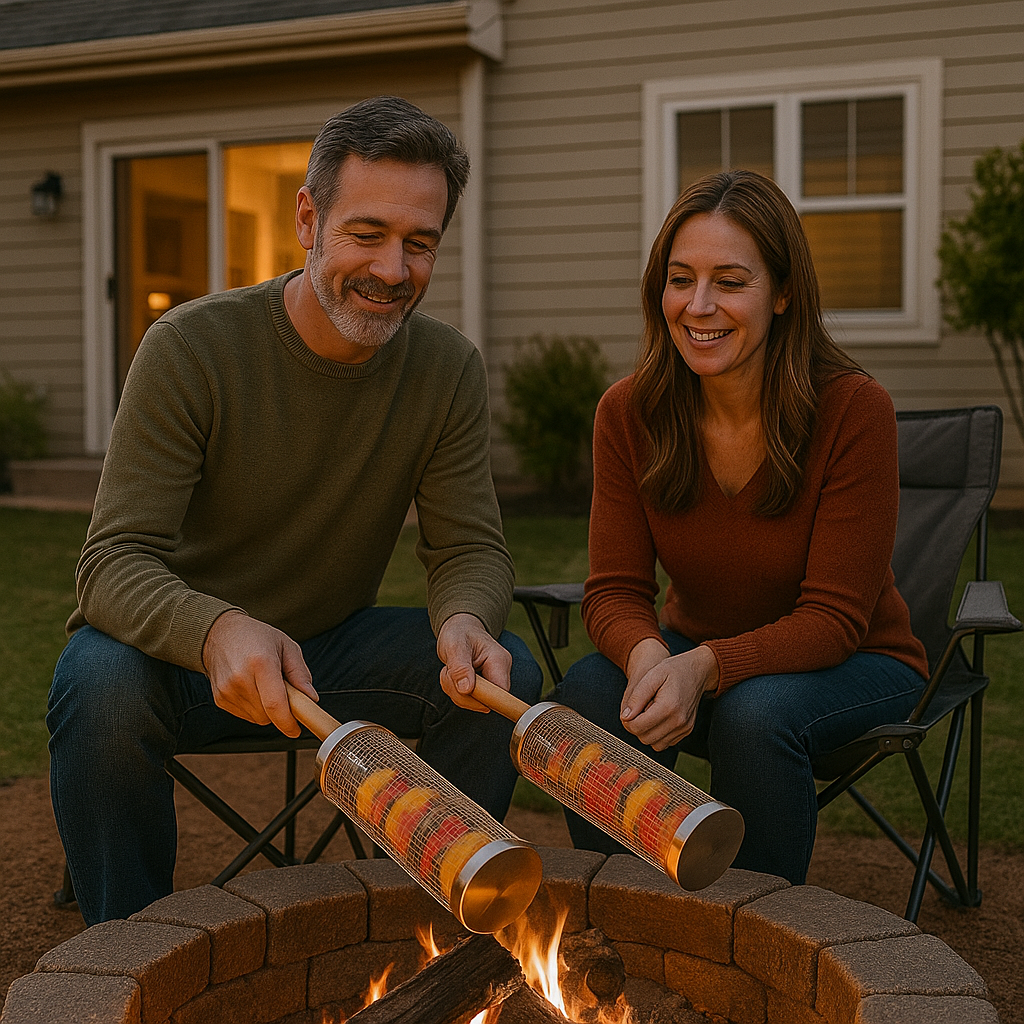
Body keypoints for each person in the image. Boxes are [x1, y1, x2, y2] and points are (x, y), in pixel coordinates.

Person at [47, 95, 542, 925]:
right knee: (96, 683)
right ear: (308, 219)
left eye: (419, 243)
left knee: (505, 674)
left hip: (327, 650)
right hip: (179, 661)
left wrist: (465, 618)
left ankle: (424, 921)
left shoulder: (447, 368)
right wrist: (217, 629)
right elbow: (111, 563)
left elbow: (470, 547)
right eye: (367, 233)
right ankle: (126, 951)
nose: (393, 269)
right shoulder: (191, 348)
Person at [547, 170, 929, 885]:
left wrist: (704, 667)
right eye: (680, 279)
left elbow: (835, 619)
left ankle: (755, 928)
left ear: (782, 293)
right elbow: (615, 591)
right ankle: (625, 913)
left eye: (729, 282)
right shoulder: (628, 413)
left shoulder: (853, 410)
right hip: (698, 650)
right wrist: (650, 659)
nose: (699, 306)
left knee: (754, 714)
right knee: (593, 693)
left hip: (858, 662)